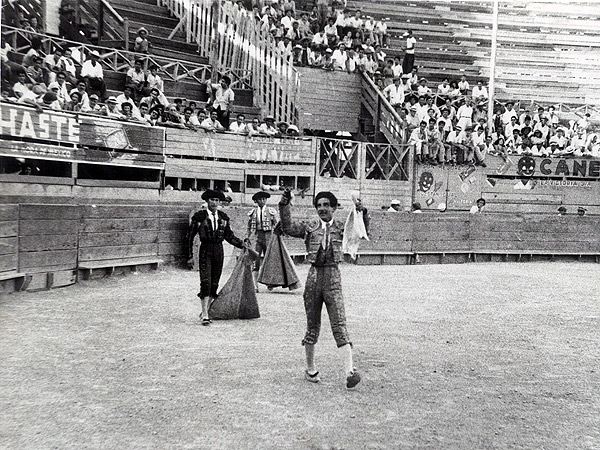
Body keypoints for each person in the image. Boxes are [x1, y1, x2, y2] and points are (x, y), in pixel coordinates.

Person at [279, 189, 361, 389]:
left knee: (339, 323)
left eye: (326, 205)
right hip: (314, 277)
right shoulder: (310, 227)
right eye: (319, 205)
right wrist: (284, 205)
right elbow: (288, 226)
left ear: (334, 207)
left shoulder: (343, 227)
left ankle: (350, 371)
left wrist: (361, 211)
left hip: (333, 277)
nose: (322, 209)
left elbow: (361, 230)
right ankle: (310, 369)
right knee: (312, 325)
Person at [188, 190, 250, 325]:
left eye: (217, 200)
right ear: (207, 201)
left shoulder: (223, 217)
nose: (214, 203)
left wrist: (241, 244)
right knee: (206, 282)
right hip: (205, 250)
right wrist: (190, 256)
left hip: (218, 251)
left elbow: (229, 236)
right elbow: (189, 237)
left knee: (214, 283)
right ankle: (205, 314)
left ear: (219, 202)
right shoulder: (199, 217)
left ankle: (206, 310)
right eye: (212, 200)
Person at [247, 191, 278, 291]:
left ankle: (270, 282)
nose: (262, 201)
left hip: (268, 237)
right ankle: (255, 285)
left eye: (264, 199)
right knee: (256, 261)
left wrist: (277, 236)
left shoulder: (271, 211)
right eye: (260, 199)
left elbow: (276, 225)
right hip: (258, 237)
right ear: (256, 201)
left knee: (269, 260)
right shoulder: (253, 212)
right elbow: (249, 227)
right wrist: (248, 237)